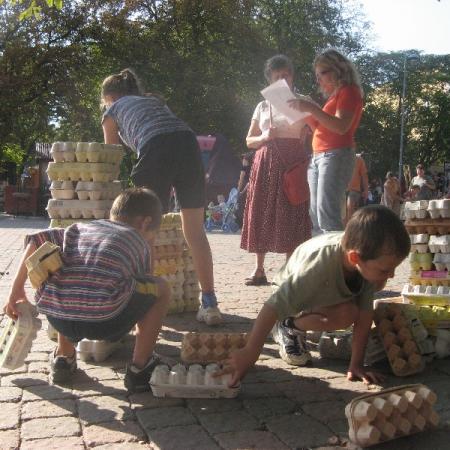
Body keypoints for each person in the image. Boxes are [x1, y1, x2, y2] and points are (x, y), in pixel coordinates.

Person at [220, 205, 410, 385]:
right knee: (345, 313)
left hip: (325, 293)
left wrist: (356, 364)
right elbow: (273, 306)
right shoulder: (318, 267)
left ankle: (314, 319)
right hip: (294, 293)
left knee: (353, 309)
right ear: (355, 258)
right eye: (386, 269)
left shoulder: (365, 257)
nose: (392, 275)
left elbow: (364, 316)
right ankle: (289, 326)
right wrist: (250, 352)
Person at [3, 188, 170, 393]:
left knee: (68, 270)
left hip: (59, 320)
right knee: (161, 288)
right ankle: (140, 368)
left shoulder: (80, 228)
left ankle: (64, 357)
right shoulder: (138, 239)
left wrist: (16, 291)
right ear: (145, 223)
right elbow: (146, 284)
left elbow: (36, 241)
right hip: (107, 322)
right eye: (152, 235)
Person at [101, 69, 222, 325]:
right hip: (189, 145)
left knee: (141, 231)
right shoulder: (153, 102)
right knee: (195, 230)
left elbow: (111, 156)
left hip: (156, 148)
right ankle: (210, 303)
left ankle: (144, 305)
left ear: (109, 97)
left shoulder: (112, 111)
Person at [241, 55, 312, 286]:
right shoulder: (262, 105)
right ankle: (259, 269)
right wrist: (263, 136)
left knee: (291, 210)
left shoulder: (303, 101)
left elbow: (317, 131)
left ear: (292, 77)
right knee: (261, 210)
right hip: (264, 162)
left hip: (292, 162)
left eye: (286, 75)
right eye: (277, 76)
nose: (283, 79)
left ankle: (289, 271)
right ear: (270, 80)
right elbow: (248, 140)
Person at [288, 48, 364, 234]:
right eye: (317, 75)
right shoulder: (335, 96)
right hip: (320, 156)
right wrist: (305, 111)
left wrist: (311, 108)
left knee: (327, 216)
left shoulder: (349, 91)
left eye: (322, 72)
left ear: (338, 69)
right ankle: (323, 259)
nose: (318, 79)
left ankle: (335, 261)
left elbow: (341, 126)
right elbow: (320, 129)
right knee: (316, 215)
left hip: (335, 155)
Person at [345, 153, 369, 223]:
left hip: (354, 190)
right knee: (343, 212)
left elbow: (364, 176)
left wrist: (366, 190)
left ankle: (351, 228)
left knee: (350, 207)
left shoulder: (359, 159)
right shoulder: (338, 157)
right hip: (341, 189)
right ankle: (345, 229)